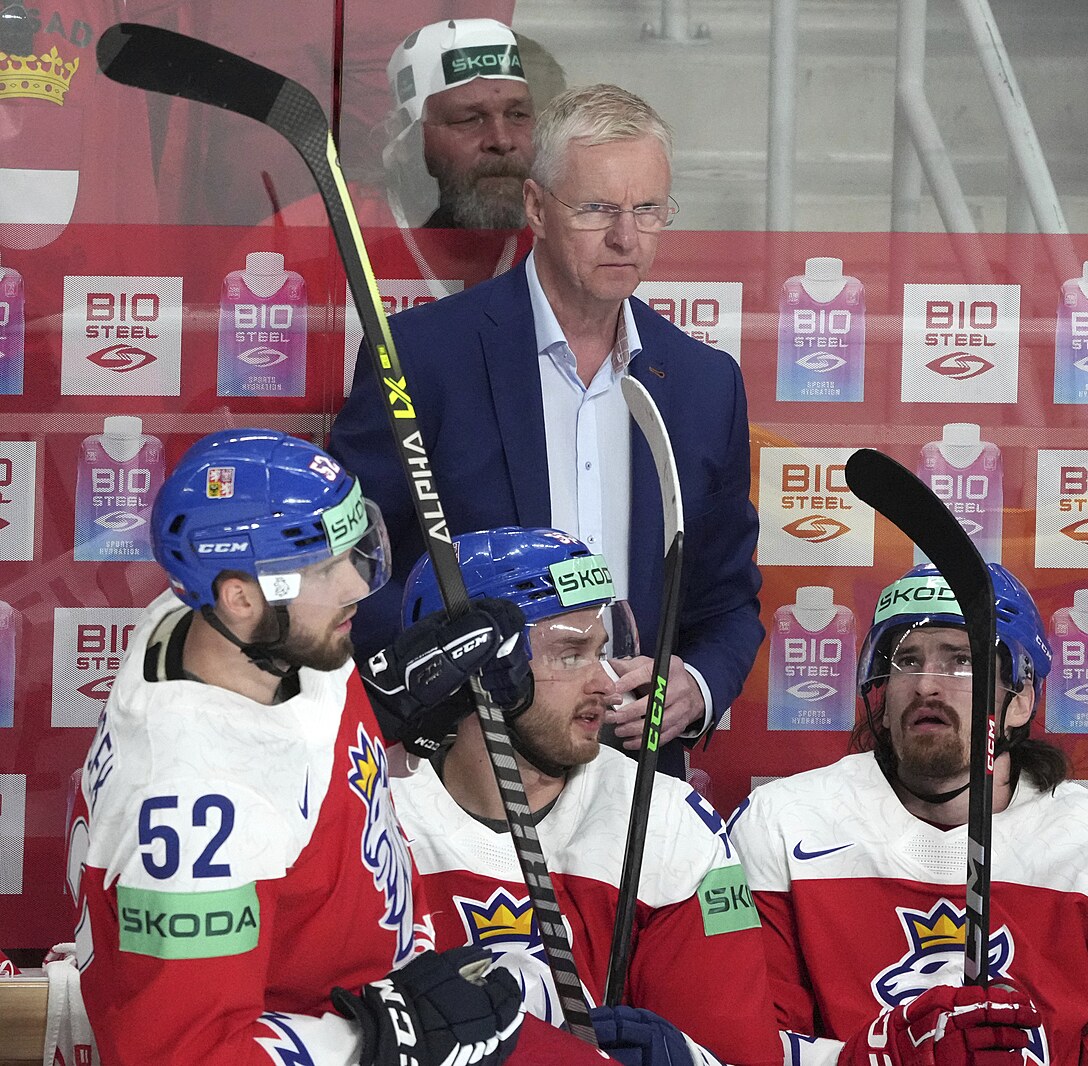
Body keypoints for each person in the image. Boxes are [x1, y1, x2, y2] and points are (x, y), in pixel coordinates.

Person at [70, 427, 544, 1066]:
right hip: (355, 1028)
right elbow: (187, 1052)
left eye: (353, 551)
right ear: (242, 597)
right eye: (325, 568)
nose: (356, 586)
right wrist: (382, 1041)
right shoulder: (196, 808)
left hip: (385, 978)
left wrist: (392, 698)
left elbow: (289, 752)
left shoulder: (236, 632)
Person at [331, 83, 763, 780]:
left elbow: (727, 601)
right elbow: (354, 565)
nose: (626, 237)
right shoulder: (422, 356)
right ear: (535, 206)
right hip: (466, 768)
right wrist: (435, 697)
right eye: (597, 209)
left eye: (648, 210)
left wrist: (698, 685)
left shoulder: (704, 385)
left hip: (633, 777)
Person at [728, 563, 1088, 1066]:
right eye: (907, 661)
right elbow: (747, 1044)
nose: (926, 685)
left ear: (1019, 700)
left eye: (961, 661)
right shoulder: (785, 821)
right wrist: (882, 1058)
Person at [391, 526, 783, 1066]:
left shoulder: (666, 821)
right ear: (469, 666)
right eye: (571, 655)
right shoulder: (367, 807)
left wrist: (688, 1059)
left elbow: (737, 1053)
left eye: (601, 652)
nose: (606, 682)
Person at [269, 17, 558, 289]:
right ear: (405, 139)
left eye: (518, 115)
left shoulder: (561, 236)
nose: (502, 140)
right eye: (469, 119)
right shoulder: (312, 234)